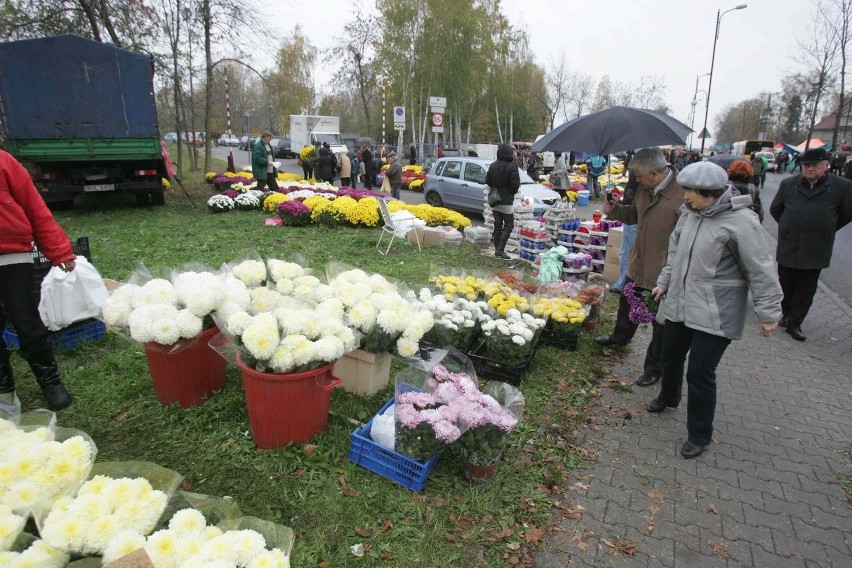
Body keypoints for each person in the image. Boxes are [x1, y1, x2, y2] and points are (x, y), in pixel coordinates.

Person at [647, 161, 782, 459]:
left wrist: (769, 313)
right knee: (669, 354)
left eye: (690, 192)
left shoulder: (742, 222)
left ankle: (699, 434)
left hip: (716, 311)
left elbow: (760, 269)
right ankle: (668, 397)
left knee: (700, 372)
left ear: (708, 192)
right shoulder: (690, 214)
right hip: (681, 302)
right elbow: (676, 251)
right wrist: (664, 282)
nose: (684, 197)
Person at [595, 147, 685, 387]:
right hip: (638, 262)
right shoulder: (645, 190)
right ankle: (620, 337)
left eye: (638, 175)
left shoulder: (682, 194)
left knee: (660, 324)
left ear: (654, 173)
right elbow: (635, 215)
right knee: (628, 303)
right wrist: (614, 210)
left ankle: (654, 368)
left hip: (663, 270)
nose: (636, 179)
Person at [0, 150, 77, 411]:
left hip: (10, 254)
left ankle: (50, 382)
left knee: (26, 320)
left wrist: (59, 250)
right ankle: (4, 390)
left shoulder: (4, 161)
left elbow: (35, 207)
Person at [769, 148, 852, 341]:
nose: (810, 169)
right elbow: (776, 209)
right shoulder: (789, 184)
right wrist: (789, 226)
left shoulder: (842, 187)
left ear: (826, 165)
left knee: (806, 287)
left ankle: (795, 323)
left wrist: (827, 228)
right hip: (790, 244)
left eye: (815, 165)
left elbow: (847, 214)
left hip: (817, 247)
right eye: (806, 166)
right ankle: (786, 313)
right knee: (786, 282)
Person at [485, 143, 520, 260]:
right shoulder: (512, 166)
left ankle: (497, 249)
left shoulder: (493, 165)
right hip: (506, 200)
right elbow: (515, 185)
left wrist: (496, 188)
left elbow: (487, 180)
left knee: (498, 224)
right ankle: (500, 250)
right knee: (509, 224)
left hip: (495, 199)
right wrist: (510, 193)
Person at [611, 169, 639, 294]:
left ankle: (627, 284)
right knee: (625, 252)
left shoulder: (644, 172)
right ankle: (623, 282)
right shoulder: (636, 169)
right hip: (629, 213)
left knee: (631, 252)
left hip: (635, 216)